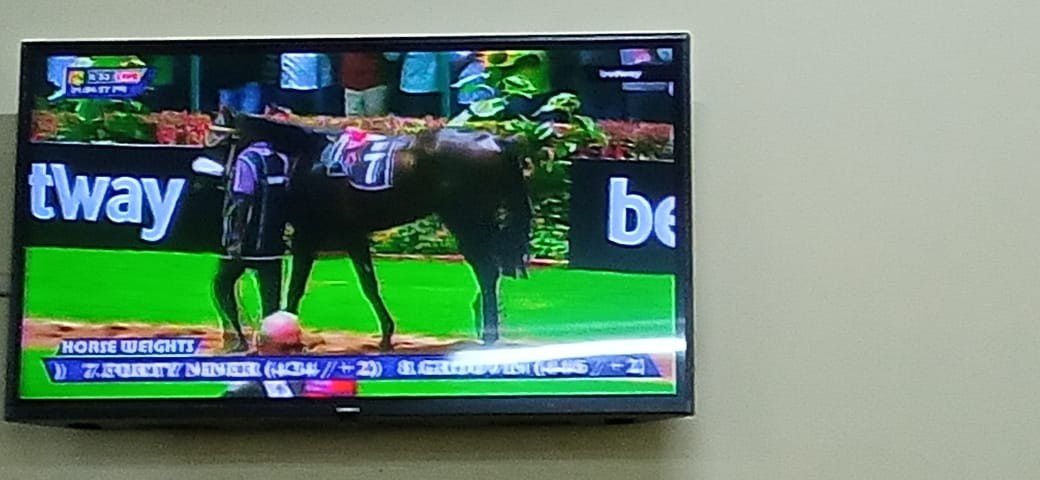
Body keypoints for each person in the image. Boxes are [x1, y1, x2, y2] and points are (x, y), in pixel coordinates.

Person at [212, 139, 291, 352]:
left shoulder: (247, 159)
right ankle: (270, 345)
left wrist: (236, 239)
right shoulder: (281, 160)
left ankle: (236, 336)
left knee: (222, 283)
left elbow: (242, 200)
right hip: (273, 242)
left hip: (249, 241)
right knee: (271, 300)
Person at [340, 52, 388, 116]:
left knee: (376, 120)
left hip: (375, 86)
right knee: (352, 121)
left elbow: (392, 56)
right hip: (350, 86)